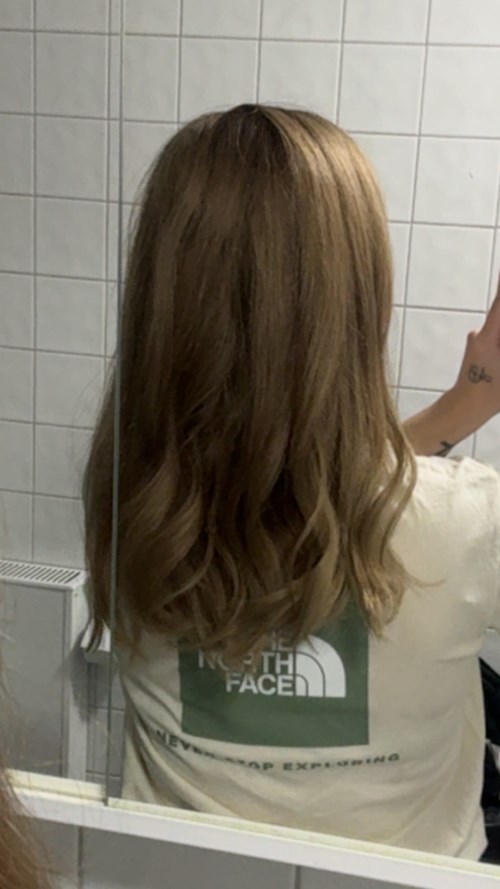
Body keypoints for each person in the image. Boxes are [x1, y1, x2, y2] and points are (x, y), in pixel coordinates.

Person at [84, 104, 500, 860]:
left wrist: (458, 409)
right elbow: (347, 499)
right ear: (361, 298)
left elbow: (293, 487)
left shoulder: (127, 504)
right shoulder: (467, 524)